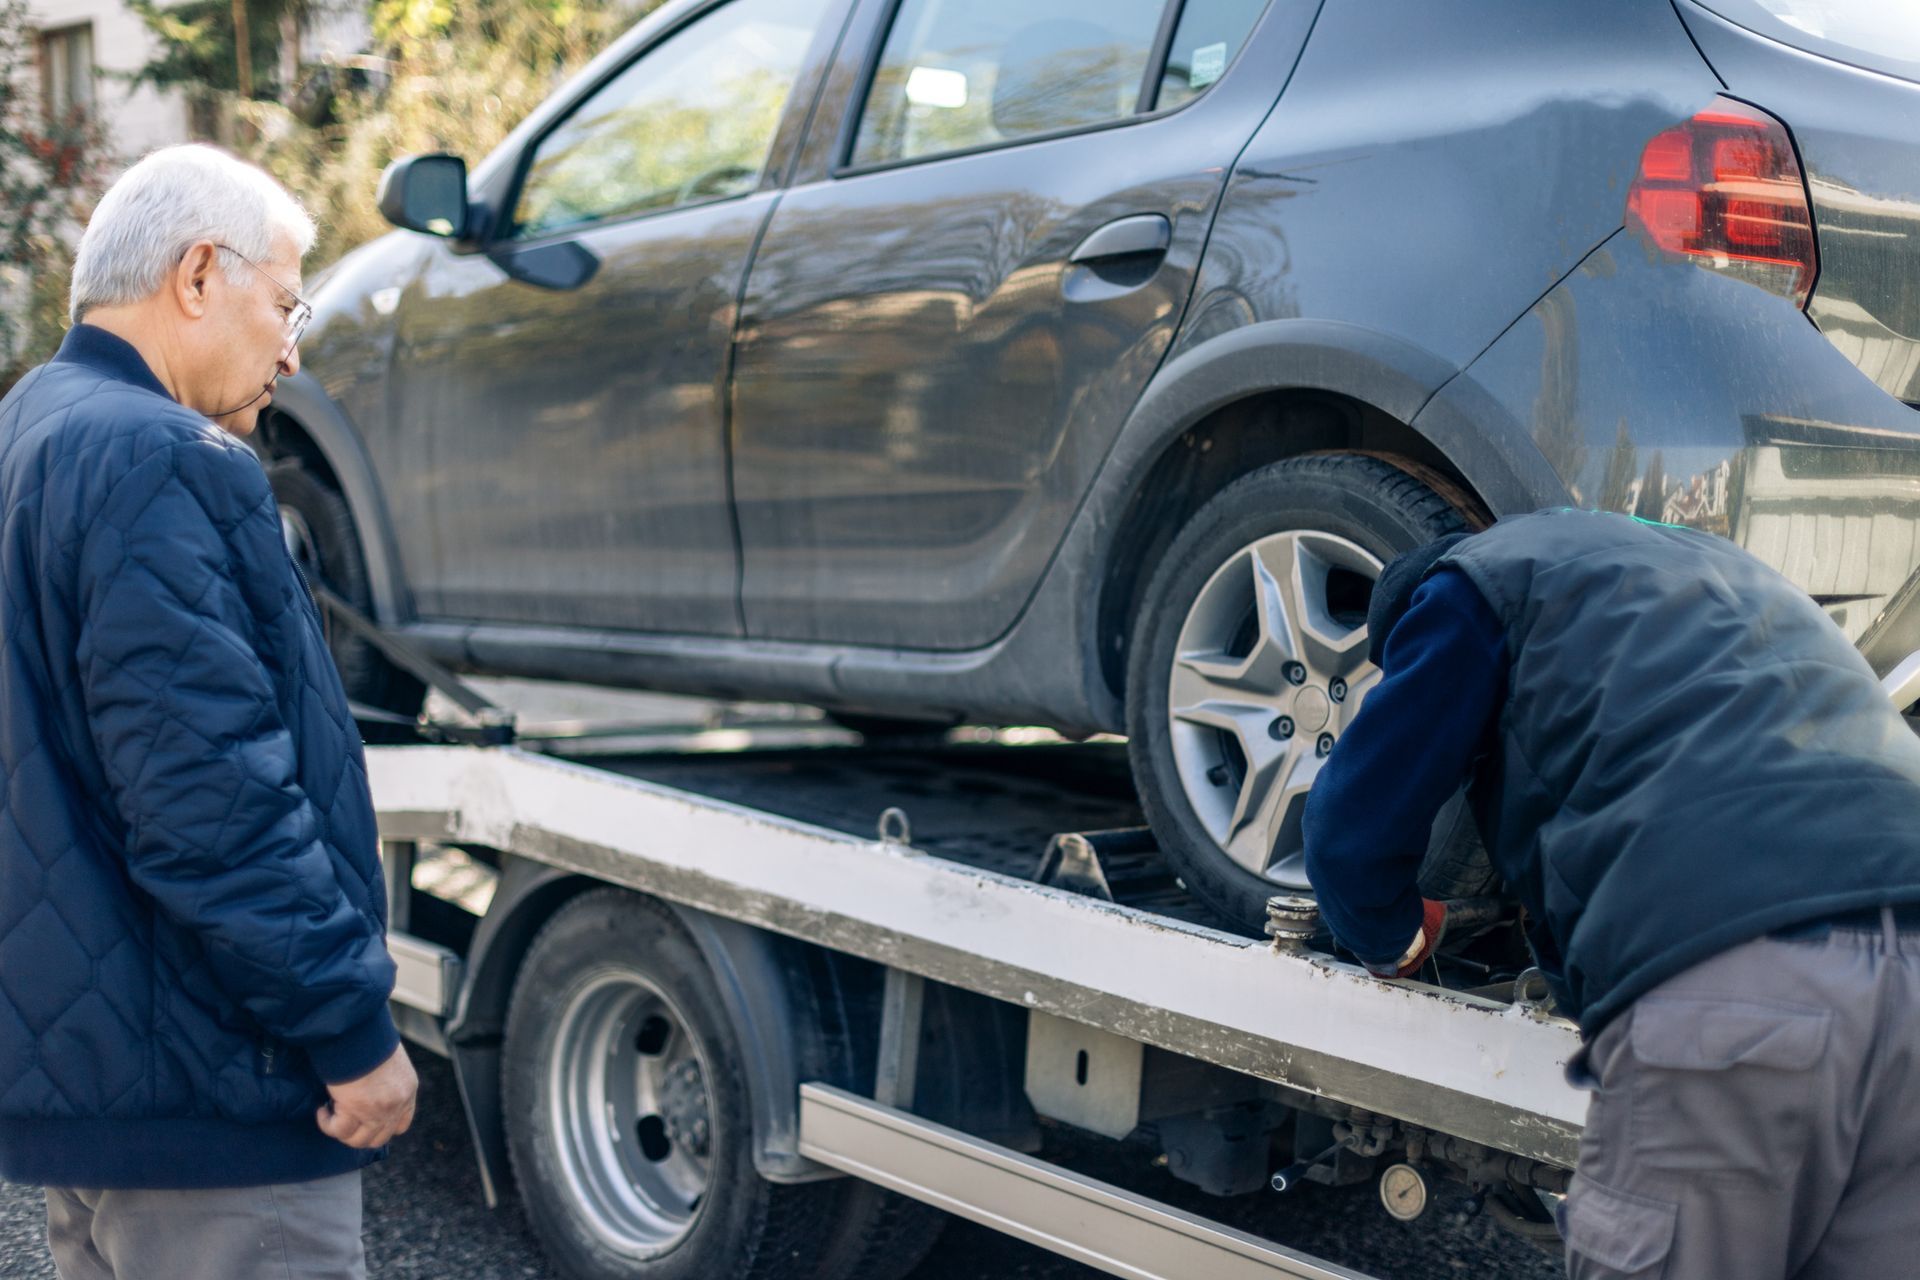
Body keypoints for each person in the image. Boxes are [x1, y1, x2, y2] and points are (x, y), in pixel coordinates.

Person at [1301, 508, 1920, 1279]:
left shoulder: (1467, 589)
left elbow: (1348, 833)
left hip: (1738, 982)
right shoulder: (1713, 571)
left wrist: (1392, 936)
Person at [0, 145, 414, 1279]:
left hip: (99, 1078)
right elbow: (211, 801)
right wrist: (351, 1028)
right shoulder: (163, 457)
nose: (291, 345)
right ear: (196, 276)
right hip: (215, 1095)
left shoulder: (30, 425)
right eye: (285, 301)